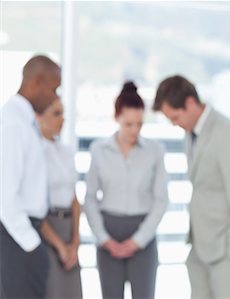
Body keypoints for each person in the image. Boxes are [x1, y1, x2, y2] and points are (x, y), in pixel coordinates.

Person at [152, 75, 230, 298]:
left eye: (175, 116)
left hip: (226, 255)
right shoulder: (190, 134)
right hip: (200, 248)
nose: (174, 123)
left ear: (190, 103)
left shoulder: (227, 134)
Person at [84, 81, 168, 299]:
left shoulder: (155, 151)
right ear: (117, 118)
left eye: (139, 124)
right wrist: (103, 238)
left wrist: (138, 240)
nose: (135, 130)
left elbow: (161, 200)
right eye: (128, 124)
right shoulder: (99, 150)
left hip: (143, 233)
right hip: (108, 233)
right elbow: (90, 198)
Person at [0, 55, 61, 298]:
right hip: (18, 241)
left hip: (23, 238)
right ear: (36, 82)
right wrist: (31, 245)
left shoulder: (22, 122)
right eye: (54, 89)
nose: (55, 97)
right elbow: (4, 194)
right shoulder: (13, 125)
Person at [36, 97, 82, 298]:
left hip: (68, 230)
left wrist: (75, 241)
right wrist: (60, 246)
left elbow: (74, 199)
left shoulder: (66, 152)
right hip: (45, 231)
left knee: (72, 293)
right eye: (56, 114)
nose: (62, 119)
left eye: (63, 113)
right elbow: (34, 209)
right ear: (39, 116)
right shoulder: (34, 153)